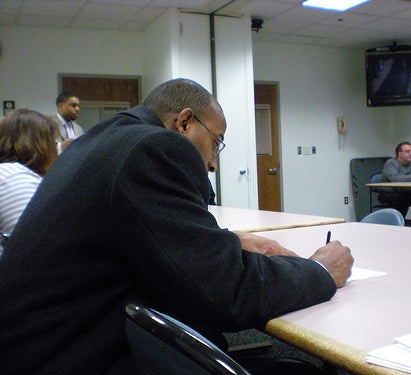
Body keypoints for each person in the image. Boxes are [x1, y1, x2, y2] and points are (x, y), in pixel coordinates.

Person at [0, 78, 354, 374]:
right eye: (216, 142)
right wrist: (319, 269)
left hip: (38, 348)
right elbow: (227, 292)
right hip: (79, 359)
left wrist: (224, 241)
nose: (213, 162)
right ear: (184, 122)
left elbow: (134, 238)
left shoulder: (96, 144)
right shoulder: (154, 147)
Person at [0, 108, 59, 252]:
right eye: (53, 141)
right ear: (41, 145)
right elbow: (38, 246)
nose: (57, 148)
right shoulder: (14, 177)